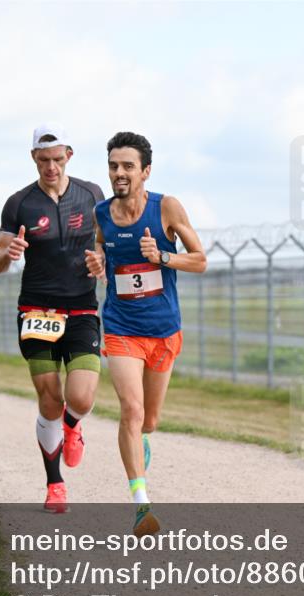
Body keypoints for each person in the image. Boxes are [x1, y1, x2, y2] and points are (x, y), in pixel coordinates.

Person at [84, 131, 206, 536]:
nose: (119, 173)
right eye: (113, 166)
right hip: (121, 327)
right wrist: (98, 263)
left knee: (149, 420)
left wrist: (163, 256)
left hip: (163, 329)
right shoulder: (101, 213)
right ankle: (141, 503)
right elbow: (101, 250)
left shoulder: (166, 207)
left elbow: (200, 260)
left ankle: (142, 440)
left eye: (127, 166)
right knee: (131, 411)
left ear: (145, 171)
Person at [0, 122, 105, 513]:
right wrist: (8, 254)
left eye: (57, 159)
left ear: (69, 155)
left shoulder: (92, 194)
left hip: (82, 307)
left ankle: (73, 426)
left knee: (81, 397)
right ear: (33, 158)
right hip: (36, 310)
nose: (51, 167)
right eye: (43, 160)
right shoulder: (19, 203)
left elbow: (105, 244)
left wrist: (101, 261)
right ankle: (55, 484)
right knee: (50, 399)